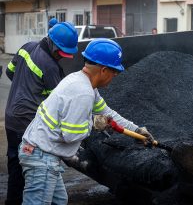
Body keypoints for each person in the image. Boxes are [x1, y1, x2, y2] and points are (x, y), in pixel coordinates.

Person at [18, 38, 154, 205]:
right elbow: (71, 135)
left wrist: (137, 130)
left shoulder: (82, 81)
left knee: (59, 201)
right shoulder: (82, 92)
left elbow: (108, 113)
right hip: (41, 156)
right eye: (115, 72)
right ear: (104, 70)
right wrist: (96, 123)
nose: (114, 77)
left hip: (41, 151)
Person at [5, 22, 78, 205]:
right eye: (60, 53)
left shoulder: (26, 47)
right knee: (30, 171)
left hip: (11, 118)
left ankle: (12, 201)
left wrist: (26, 86)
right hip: (28, 125)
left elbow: (9, 72)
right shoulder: (51, 68)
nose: (62, 58)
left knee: (15, 163)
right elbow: (58, 104)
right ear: (52, 44)